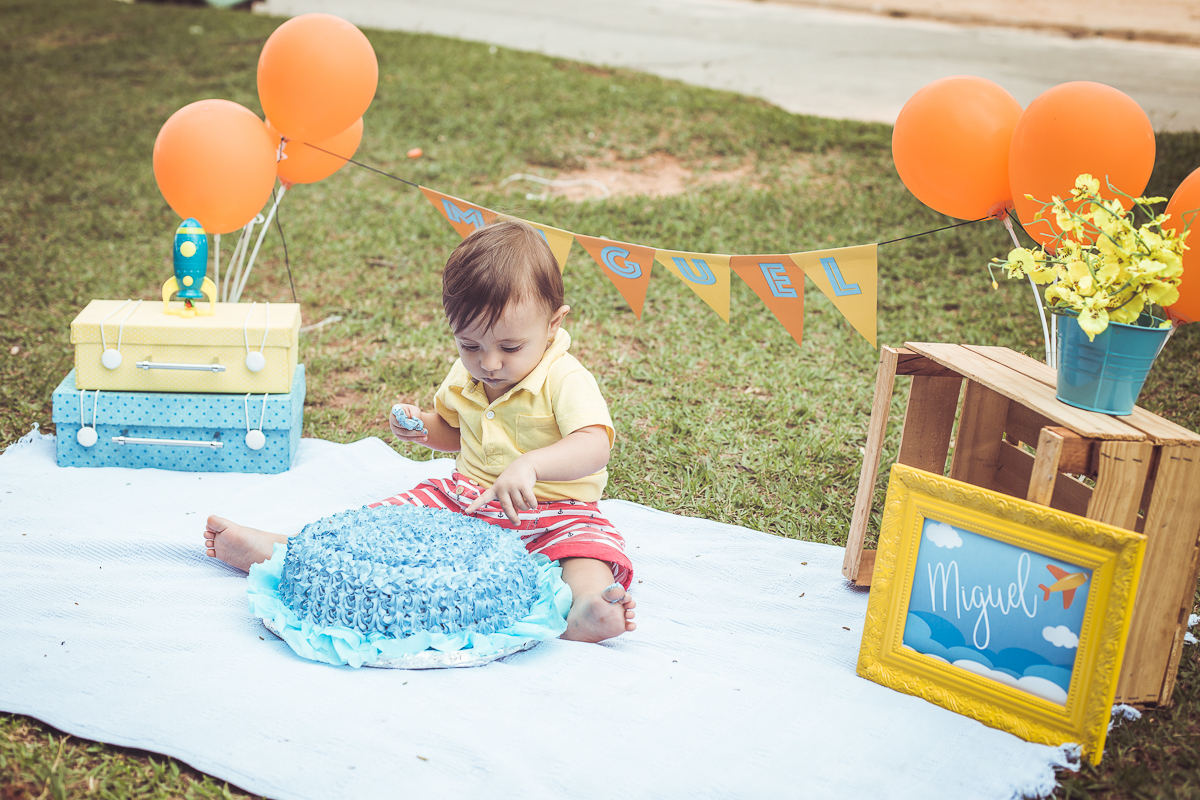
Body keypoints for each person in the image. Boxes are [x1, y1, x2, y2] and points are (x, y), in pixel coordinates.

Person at [205, 219, 636, 643]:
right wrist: (421, 429)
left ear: (553, 324)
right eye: (470, 345)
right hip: (468, 501)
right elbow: (456, 431)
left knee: (586, 549)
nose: (489, 363)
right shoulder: (467, 376)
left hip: (559, 512)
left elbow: (594, 445)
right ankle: (287, 553)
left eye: (509, 347)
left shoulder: (564, 377)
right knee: (385, 526)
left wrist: (531, 465)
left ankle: (587, 608)